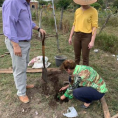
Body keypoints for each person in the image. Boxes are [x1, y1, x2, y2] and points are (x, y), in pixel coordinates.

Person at [2, 0, 46, 103]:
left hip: (25, 42)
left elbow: (26, 21)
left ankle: (22, 84)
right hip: (18, 42)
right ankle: (21, 93)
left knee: (23, 65)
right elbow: (9, 24)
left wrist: (38, 28)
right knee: (19, 68)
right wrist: (15, 45)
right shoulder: (13, 2)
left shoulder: (25, 3)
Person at [69, 0, 98, 66]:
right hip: (76, 35)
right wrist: (70, 36)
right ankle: (76, 71)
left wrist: (92, 41)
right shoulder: (77, 11)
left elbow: (94, 27)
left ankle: (85, 73)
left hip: (86, 36)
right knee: (76, 56)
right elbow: (74, 24)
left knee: (85, 57)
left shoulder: (93, 11)